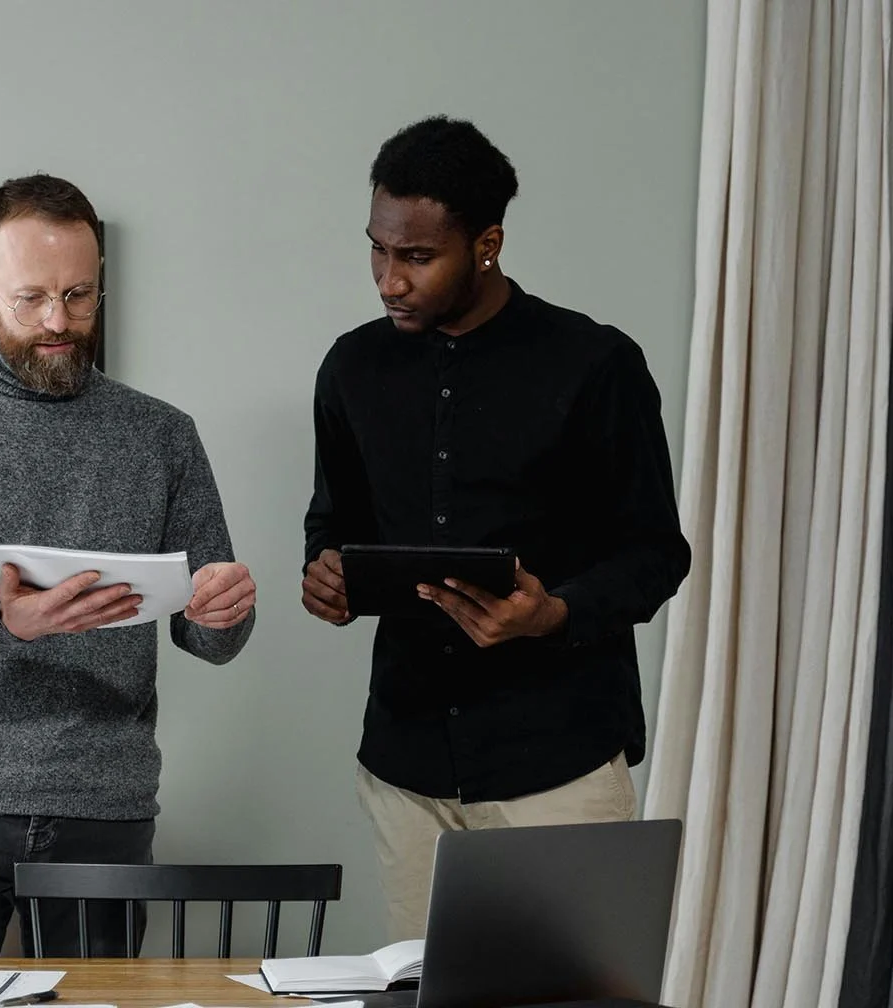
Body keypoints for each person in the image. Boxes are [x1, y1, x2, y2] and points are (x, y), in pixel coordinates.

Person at [301, 116, 691, 941]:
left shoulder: (596, 364)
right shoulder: (351, 369)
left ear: (486, 245)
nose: (388, 279)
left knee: (574, 1002)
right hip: (406, 767)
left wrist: (553, 613)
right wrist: (326, 573)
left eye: (416, 257)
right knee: (419, 998)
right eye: (377, 248)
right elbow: (335, 523)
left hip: (559, 764)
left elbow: (658, 551)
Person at [0, 173, 257, 957]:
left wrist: (225, 611)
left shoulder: (162, 436)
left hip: (102, 806)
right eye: (32, 298)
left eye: (80, 296)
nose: (59, 322)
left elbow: (208, 638)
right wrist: (10, 628)